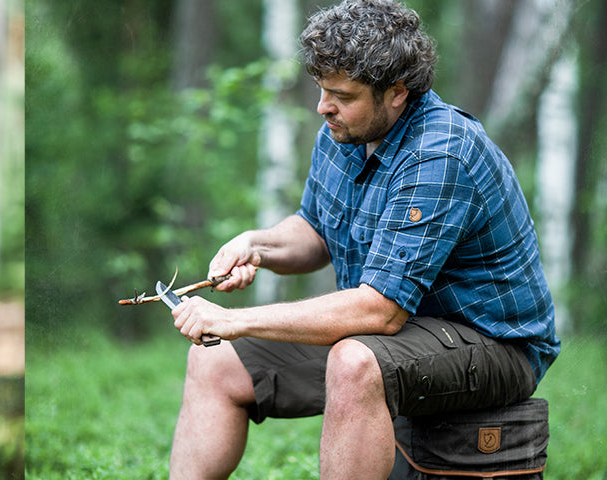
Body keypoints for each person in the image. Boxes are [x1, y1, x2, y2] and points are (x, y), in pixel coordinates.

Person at [167, 1, 560, 478]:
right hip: (398, 330)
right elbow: (316, 230)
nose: (322, 107)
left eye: (341, 95)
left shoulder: (440, 154)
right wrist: (258, 245)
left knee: (355, 361)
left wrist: (235, 319)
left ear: (397, 93)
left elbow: (379, 311)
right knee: (215, 362)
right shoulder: (343, 132)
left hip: (494, 343)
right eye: (321, 90)